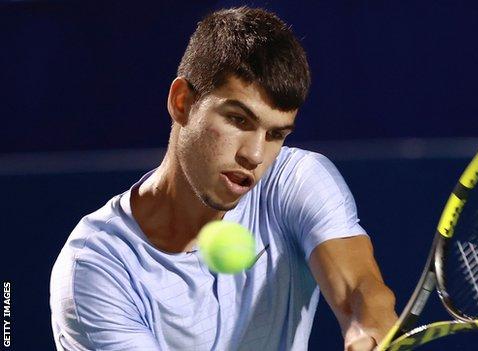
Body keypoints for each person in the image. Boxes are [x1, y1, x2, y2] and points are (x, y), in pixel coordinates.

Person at [50, 7, 397, 351]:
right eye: (239, 120)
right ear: (182, 102)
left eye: (276, 135)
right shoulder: (95, 269)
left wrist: (365, 329)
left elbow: (359, 290)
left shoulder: (294, 181)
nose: (255, 155)